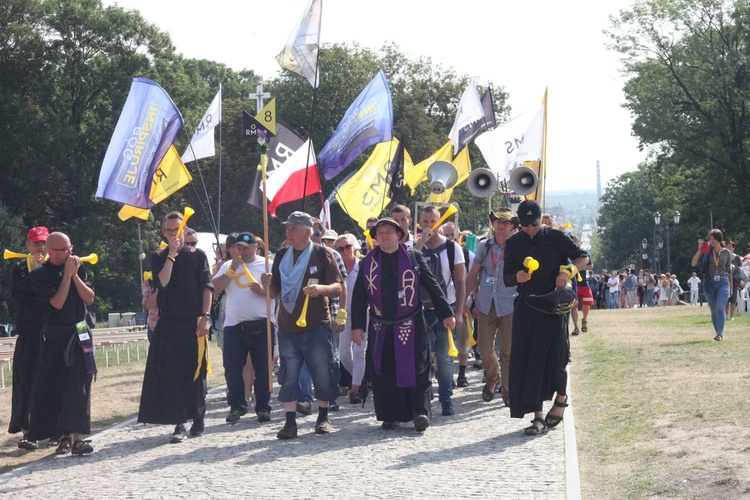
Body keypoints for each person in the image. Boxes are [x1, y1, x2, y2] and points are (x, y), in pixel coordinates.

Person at [351, 218, 455, 432]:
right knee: (385, 371)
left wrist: (446, 313)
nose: (385, 236)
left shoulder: (413, 257)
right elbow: (359, 296)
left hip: (411, 323)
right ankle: (390, 415)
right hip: (380, 327)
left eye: (390, 231)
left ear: (399, 235)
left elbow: (432, 286)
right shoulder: (368, 261)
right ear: (375, 238)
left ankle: (420, 412)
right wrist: (357, 326)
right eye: (380, 233)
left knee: (417, 369)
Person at [503, 200, 588, 435]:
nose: (530, 229)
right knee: (528, 360)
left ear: (540, 219)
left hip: (552, 307)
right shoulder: (513, 242)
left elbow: (583, 258)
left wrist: (567, 271)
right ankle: (537, 416)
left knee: (556, 358)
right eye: (525, 225)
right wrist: (516, 276)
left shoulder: (556, 237)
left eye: (534, 224)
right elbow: (506, 277)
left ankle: (561, 398)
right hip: (527, 306)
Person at [260, 211, 342, 440]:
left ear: (307, 232)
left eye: (293, 228)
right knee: (289, 375)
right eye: (287, 228)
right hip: (287, 327)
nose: (288, 232)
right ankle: (289, 423)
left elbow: (337, 286)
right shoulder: (281, 255)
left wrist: (321, 290)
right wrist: (266, 285)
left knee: (322, 371)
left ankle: (323, 416)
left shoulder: (322, 253)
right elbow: (275, 291)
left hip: (317, 325)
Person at [138, 211, 214, 443]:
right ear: (163, 233)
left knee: (196, 372)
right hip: (169, 322)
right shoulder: (158, 256)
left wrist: (206, 316)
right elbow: (162, 283)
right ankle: (179, 422)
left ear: (185, 230)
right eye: (169, 230)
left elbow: (207, 287)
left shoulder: (198, 255)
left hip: (193, 322)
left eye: (177, 230)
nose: (174, 234)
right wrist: (171, 254)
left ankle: (198, 418)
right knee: (172, 373)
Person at [28, 232, 96, 455]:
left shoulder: (78, 267)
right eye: (63, 250)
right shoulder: (40, 274)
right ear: (50, 251)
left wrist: (75, 275)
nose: (69, 253)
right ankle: (62, 437)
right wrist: (66, 277)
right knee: (58, 385)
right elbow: (57, 303)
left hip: (79, 331)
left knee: (80, 385)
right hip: (56, 334)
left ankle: (78, 438)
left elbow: (89, 298)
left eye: (70, 248)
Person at [212, 232, 272, 424]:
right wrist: (229, 272)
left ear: (256, 247)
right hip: (234, 325)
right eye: (239, 248)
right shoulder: (229, 265)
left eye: (246, 248)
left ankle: (263, 407)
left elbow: (277, 293)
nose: (243, 252)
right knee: (232, 368)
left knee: (263, 369)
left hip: (261, 323)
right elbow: (213, 287)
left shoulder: (267, 264)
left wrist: (263, 290)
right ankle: (237, 406)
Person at [414, 206, 466, 416]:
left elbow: (461, 282)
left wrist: (460, 311)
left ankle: (446, 398)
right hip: (421, 309)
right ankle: (425, 399)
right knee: (423, 356)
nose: (429, 226)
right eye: (425, 222)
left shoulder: (453, 248)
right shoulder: (414, 247)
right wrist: (421, 242)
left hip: (446, 308)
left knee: (444, 357)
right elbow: (408, 266)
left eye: (432, 221)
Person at [464, 209, 516, 406]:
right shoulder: (484, 246)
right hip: (486, 304)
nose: (501, 226)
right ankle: (493, 377)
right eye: (498, 222)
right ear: (493, 224)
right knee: (484, 349)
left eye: (506, 222)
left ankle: (507, 390)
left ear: (512, 226)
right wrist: (464, 302)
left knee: (508, 351)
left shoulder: (516, 247)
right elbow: (473, 275)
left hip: (510, 303)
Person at [8, 226, 48, 450]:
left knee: (49, 381)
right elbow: (18, 294)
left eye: (43, 243)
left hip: (50, 333)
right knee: (25, 382)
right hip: (28, 333)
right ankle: (26, 431)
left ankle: (55, 430)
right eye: (36, 243)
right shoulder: (19, 267)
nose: (40, 248)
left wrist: (44, 271)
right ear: (28, 245)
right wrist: (35, 273)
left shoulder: (55, 265)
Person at [335, 234, 366, 404]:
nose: (345, 250)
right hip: (344, 314)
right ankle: (361, 379)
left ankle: (355, 389)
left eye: (347, 246)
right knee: (344, 354)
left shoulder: (363, 266)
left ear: (354, 247)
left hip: (363, 314)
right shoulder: (336, 268)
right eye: (340, 248)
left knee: (360, 352)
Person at [692, 229, 732, 340]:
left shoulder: (726, 252)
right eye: (710, 238)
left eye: (714, 238)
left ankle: (720, 333)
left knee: (720, 307)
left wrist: (731, 287)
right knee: (714, 309)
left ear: (719, 239)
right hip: (710, 282)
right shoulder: (706, 251)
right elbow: (693, 263)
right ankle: (717, 332)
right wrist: (699, 250)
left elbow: (729, 271)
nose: (711, 241)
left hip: (723, 282)